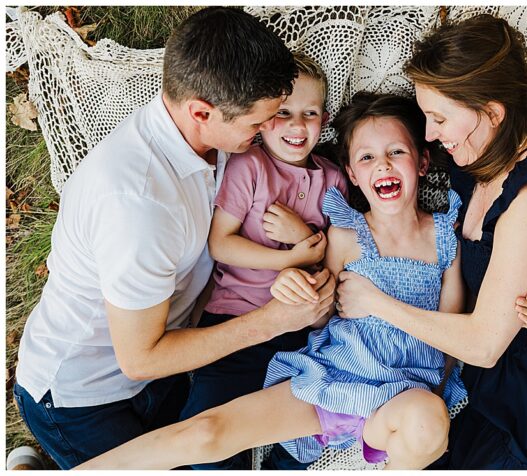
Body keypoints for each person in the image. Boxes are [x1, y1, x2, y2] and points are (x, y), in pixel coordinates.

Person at [11, 8, 339, 470]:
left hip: (164, 368)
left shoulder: (212, 139)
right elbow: (140, 359)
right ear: (201, 111)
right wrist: (272, 321)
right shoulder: (139, 206)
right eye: (255, 125)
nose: (266, 133)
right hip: (82, 398)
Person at [78, 92, 476, 470]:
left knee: (428, 421)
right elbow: (320, 315)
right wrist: (292, 283)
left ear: (422, 163)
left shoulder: (443, 238)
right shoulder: (345, 236)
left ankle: (381, 447)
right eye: (368, 157)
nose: (383, 166)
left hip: (403, 398)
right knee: (207, 431)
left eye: (396, 153)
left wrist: (378, 305)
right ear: (352, 174)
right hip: (334, 381)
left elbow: (450, 338)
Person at [332, 14, 527, 469]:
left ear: (492, 114)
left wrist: (375, 303)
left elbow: (482, 343)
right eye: (426, 117)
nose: (430, 134)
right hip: (500, 370)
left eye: (439, 118)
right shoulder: (473, 165)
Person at [175, 52, 348, 470]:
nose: (296, 125)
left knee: (297, 445)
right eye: (283, 112)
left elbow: (334, 259)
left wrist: (306, 241)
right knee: (206, 444)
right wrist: (288, 257)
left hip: (299, 333)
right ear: (265, 117)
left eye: (309, 113)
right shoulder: (249, 166)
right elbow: (222, 245)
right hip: (234, 324)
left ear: (324, 121)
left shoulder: (333, 178)